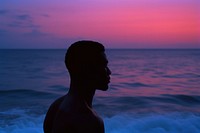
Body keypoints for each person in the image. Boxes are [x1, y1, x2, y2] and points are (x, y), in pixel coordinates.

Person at [43, 40, 111, 133]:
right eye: (103, 66)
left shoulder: (56, 106)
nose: (109, 71)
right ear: (87, 69)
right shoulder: (89, 120)